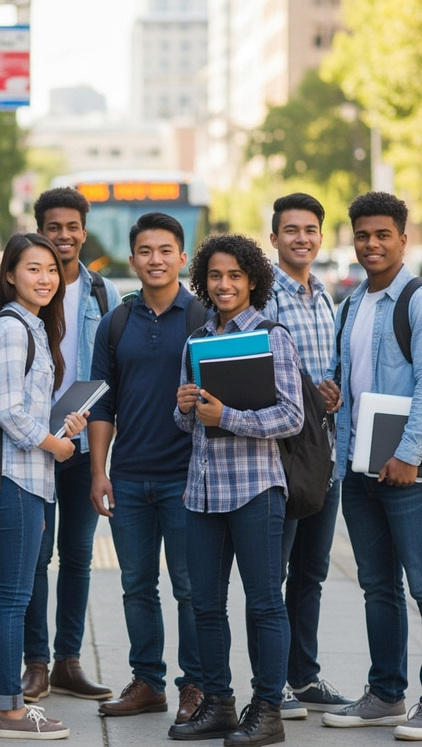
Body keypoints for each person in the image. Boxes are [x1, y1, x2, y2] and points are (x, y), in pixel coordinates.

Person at [170, 234, 303, 746]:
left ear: (252, 281)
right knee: (204, 604)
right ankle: (219, 705)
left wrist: (229, 416)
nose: (224, 285)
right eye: (215, 276)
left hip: (254, 490)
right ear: (203, 281)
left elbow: (290, 417)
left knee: (265, 604)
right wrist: (184, 407)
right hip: (201, 493)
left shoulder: (272, 336)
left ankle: (267, 711)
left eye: (235, 276)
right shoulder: (196, 340)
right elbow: (187, 426)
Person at [89, 212, 203, 723]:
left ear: (182, 257)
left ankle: (195, 685)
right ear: (132, 260)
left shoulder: (202, 317)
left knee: (189, 587)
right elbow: (101, 405)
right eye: (145, 251)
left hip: (188, 477)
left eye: (165, 251)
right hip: (130, 477)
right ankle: (147, 682)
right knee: (136, 585)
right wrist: (99, 471)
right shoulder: (117, 321)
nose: (155, 260)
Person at [319, 192, 422, 740]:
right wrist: (334, 394)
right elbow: (352, 380)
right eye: (363, 235)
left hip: (407, 472)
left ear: (403, 238)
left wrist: (409, 453)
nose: (372, 244)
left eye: (383, 234)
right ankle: (386, 694)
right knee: (378, 585)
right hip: (359, 470)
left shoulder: (416, 300)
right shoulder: (352, 303)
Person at [247, 193, 353, 719]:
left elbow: (326, 369)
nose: (302, 238)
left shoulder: (326, 296)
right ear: (274, 239)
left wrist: (331, 393)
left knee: (310, 573)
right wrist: (311, 393)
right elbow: (256, 376)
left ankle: (303, 677)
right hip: (279, 456)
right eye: (291, 230)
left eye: (311, 229)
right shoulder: (265, 299)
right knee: (271, 578)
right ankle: (271, 686)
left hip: (322, 455)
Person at [0, 233, 87, 740]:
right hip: (14, 478)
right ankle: (9, 712)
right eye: (32, 269)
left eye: (51, 270)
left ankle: (3, 703)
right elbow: (6, 411)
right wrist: (54, 445)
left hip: (30, 477)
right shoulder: (12, 329)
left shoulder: (36, 327)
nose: (45, 278)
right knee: (13, 596)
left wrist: (64, 429)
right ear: (10, 275)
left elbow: (27, 408)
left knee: (14, 594)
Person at [20, 187, 121, 704]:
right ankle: (34, 663)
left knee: (78, 556)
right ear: (40, 228)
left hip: (83, 447)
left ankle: (68, 661)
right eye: (53, 227)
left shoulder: (104, 293)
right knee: (33, 557)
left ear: (84, 230)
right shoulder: (25, 287)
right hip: (33, 442)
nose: (64, 236)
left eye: (72, 227)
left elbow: (113, 373)